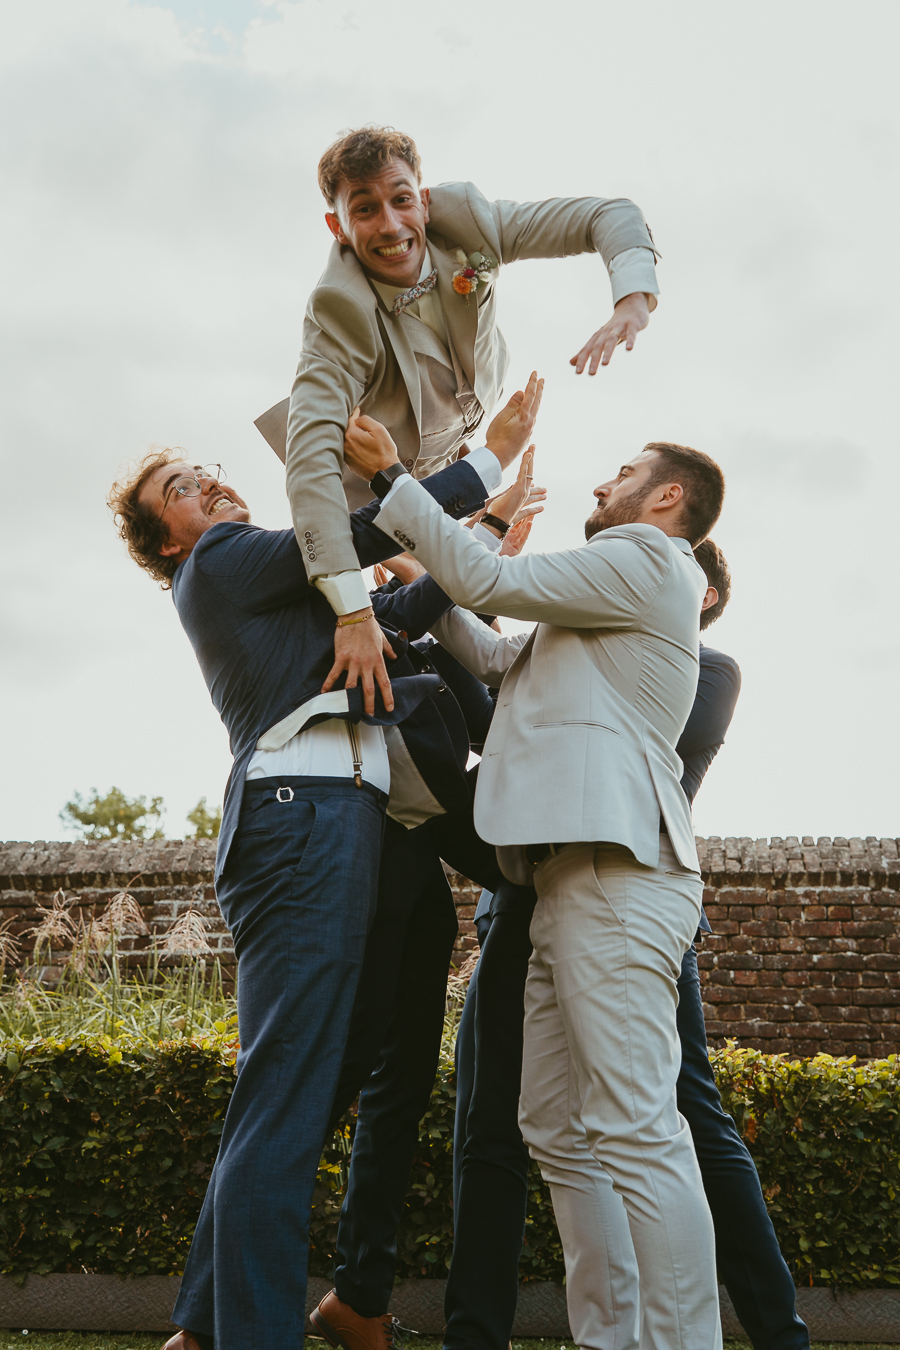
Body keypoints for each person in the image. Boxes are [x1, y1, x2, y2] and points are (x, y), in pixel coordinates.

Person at [106, 409, 531, 1350]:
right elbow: (351, 531)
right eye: (181, 488)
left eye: (206, 469)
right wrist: (483, 459)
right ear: (166, 542)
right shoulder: (221, 564)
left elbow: (403, 610)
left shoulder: (299, 593)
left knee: (292, 1087)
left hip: (333, 817)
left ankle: (203, 1329)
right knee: (288, 1097)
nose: (208, 483)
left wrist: (487, 533)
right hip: (300, 817)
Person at [343, 413, 727, 1350]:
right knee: (555, 1126)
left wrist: (395, 476)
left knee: (637, 1127)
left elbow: (490, 580)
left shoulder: (646, 555)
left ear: (666, 497)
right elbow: (499, 652)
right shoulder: (605, 606)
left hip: (620, 871)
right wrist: (408, 574)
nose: (603, 487)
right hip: (562, 881)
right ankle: (610, 1338)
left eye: (624, 472)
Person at [449, 540, 809, 1350]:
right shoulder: (567, 650)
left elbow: (610, 749)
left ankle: (773, 1332)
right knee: (533, 1121)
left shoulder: (703, 669)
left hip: (627, 875)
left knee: (671, 1115)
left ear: (702, 597)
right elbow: (507, 702)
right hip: (532, 888)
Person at [255, 124, 659, 718]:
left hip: (452, 442)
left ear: (423, 198)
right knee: (422, 577)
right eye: (364, 210)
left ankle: (449, 556)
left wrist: (632, 299)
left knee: (463, 579)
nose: (391, 227)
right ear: (337, 226)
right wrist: (352, 612)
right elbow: (311, 471)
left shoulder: (469, 222)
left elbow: (609, 213)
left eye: (400, 199)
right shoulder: (337, 309)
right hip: (365, 474)